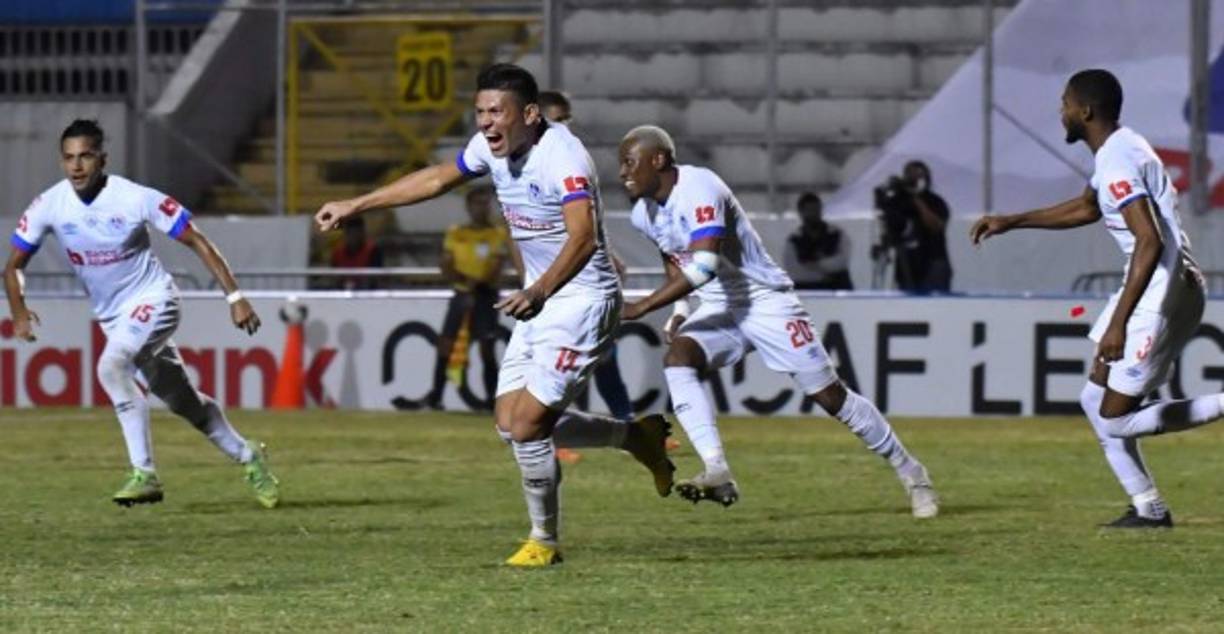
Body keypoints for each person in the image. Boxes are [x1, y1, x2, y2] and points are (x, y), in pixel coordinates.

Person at [314, 64, 675, 566]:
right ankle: (635, 436)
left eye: (496, 112)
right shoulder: (491, 146)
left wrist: (540, 289)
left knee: (527, 425)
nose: (485, 122)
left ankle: (543, 542)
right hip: (541, 298)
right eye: (480, 112)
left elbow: (583, 237)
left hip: (582, 301)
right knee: (509, 424)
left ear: (529, 115)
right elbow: (438, 178)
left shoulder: (564, 157)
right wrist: (358, 204)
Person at [618, 125, 938, 517]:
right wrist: (680, 312)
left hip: (765, 301)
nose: (622, 172)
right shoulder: (643, 214)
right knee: (678, 359)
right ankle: (717, 470)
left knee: (831, 397)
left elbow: (704, 264)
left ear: (658, 159)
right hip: (720, 305)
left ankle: (912, 472)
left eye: (629, 162)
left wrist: (641, 307)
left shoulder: (699, 186)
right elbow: (676, 261)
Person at [971, 69, 1224, 528]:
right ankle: (1148, 508)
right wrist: (1013, 220)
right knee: (1095, 399)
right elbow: (1088, 207)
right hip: (1167, 284)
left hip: (1158, 292)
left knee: (1115, 419)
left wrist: (1118, 324)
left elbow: (1148, 240)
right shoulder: (1122, 148)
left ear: (1085, 111)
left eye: (1065, 104)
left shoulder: (1118, 161)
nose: (1061, 112)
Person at [2, 119, 280, 509]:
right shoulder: (49, 205)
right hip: (114, 318)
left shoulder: (134, 198)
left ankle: (145, 474)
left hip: (156, 299)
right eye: (69, 158)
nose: (77, 166)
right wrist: (18, 312)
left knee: (110, 367)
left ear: (103, 159)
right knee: (184, 402)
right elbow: (13, 265)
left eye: (85, 156)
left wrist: (235, 297)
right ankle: (249, 455)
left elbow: (196, 240)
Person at [425, 185, 508, 410]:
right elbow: (446, 264)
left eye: (486, 204)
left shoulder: (497, 233)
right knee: (446, 344)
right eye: (478, 203)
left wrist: (472, 282)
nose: (483, 208)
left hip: (485, 295)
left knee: (486, 348)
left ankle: (492, 400)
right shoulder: (456, 232)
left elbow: (495, 267)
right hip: (461, 293)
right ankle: (436, 396)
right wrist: (465, 280)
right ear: (468, 206)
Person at [873, 160, 952, 292]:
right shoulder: (899, 201)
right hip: (906, 263)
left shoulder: (935, 201)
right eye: (909, 175)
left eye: (918, 175)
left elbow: (936, 226)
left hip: (933, 263)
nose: (913, 179)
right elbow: (892, 227)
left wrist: (916, 199)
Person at [783, 192, 853, 290]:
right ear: (801, 212)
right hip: (806, 291)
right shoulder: (794, 240)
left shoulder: (836, 234)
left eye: (817, 209)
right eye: (810, 210)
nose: (814, 214)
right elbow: (793, 271)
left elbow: (842, 261)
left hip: (837, 289)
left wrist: (817, 264)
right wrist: (821, 277)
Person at [329, 215, 384, 290]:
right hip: (342, 291)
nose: (354, 237)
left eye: (357, 233)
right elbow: (334, 277)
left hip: (366, 291)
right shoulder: (337, 252)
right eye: (351, 233)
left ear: (362, 233)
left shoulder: (373, 250)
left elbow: (376, 277)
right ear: (346, 234)